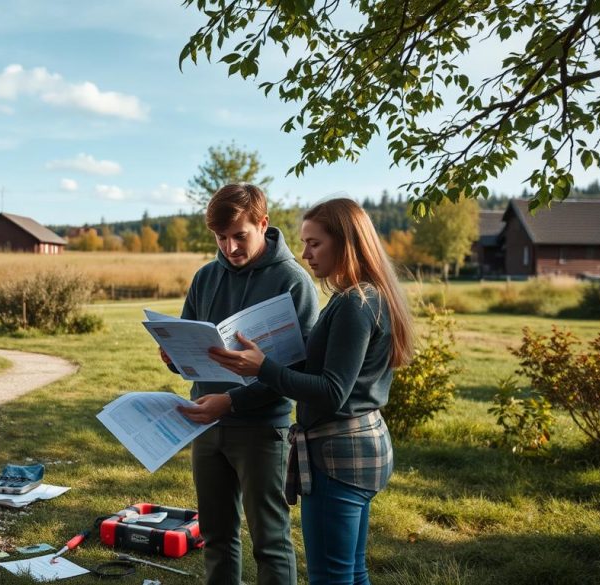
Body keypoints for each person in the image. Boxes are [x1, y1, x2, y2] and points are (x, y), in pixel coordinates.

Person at [205, 197, 414, 585]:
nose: (305, 253)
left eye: (314, 243)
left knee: (330, 577)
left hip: (340, 454)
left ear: (346, 241)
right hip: (362, 444)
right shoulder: (367, 295)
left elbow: (332, 391)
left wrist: (263, 367)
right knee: (353, 571)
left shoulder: (355, 303)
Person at [166, 184, 319, 585]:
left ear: (263, 224)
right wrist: (174, 356)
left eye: (239, 236)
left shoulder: (293, 281)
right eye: (220, 238)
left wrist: (231, 403)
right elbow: (190, 349)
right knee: (216, 535)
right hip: (206, 424)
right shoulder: (205, 277)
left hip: (262, 429)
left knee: (269, 540)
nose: (230, 247)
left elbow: (296, 375)